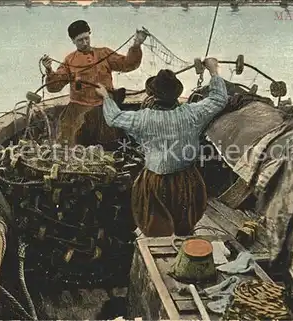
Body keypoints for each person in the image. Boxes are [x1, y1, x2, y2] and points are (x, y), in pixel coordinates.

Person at [95, 58, 228, 237]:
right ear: (175, 94)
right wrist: (213, 71)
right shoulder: (192, 113)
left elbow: (114, 118)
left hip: (154, 183)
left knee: (156, 232)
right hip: (187, 181)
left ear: (153, 95)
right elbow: (219, 99)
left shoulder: (143, 118)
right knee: (184, 229)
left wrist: (105, 96)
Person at [41, 20, 148, 147]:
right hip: (78, 110)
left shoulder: (104, 53)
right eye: (80, 40)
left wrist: (136, 45)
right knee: (71, 146)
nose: (85, 43)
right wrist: (49, 70)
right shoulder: (69, 60)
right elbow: (54, 87)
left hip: (104, 108)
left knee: (110, 145)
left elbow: (128, 64)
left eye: (87, 38)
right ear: (73, 41)